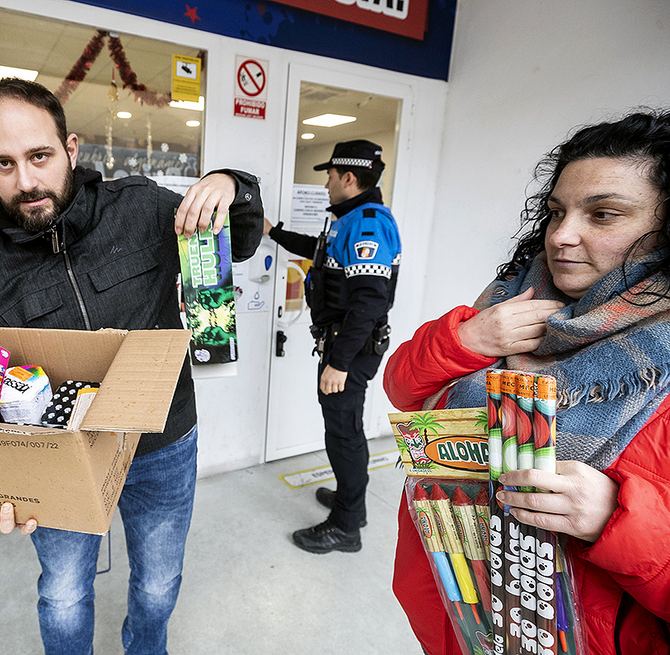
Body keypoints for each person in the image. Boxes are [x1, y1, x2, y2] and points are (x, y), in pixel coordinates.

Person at [0, 78, 264, 655]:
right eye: (3, 163)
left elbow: (239, 240)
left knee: (158, 583)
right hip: (63, 463)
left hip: (164, 443)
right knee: (64, 595)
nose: (25, 182)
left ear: (70, 148)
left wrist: (230, 185)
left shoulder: (142, 209)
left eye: (39, 156)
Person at [385, 110, 670, 654]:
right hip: (455, 602)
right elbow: (404, 392)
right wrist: (465, 341)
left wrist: (619, 519)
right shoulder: (514, 297)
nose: (561, 237)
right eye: (556, 212)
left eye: (603, 215)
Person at [263, 140, 401, 553]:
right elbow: (319, 254)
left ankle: (345, 527)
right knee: (345, 431)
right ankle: (351, 504)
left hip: (350, 351)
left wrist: (338, 364)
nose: (324, 183)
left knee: (343, 435)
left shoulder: (368, 224)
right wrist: (273, 233)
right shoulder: (349, 219)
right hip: (341, 346)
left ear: (349, 178)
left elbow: (369, 302)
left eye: (328, 175)